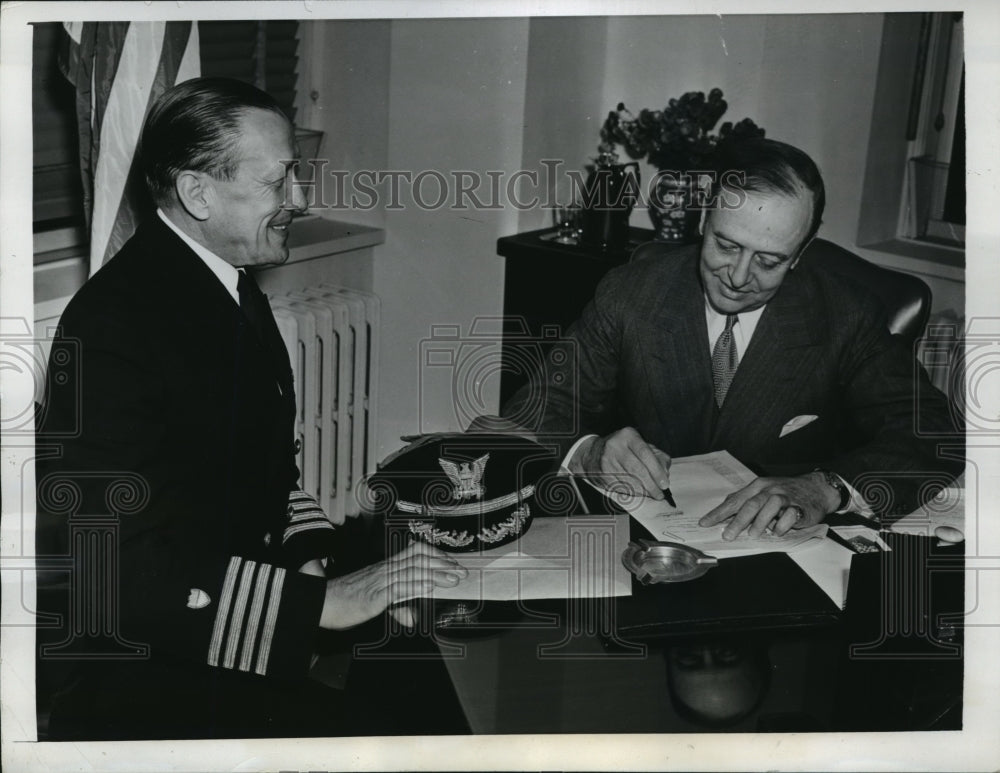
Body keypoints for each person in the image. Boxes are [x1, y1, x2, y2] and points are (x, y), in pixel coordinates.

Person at [35, 77, 467, 740]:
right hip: (150, 671)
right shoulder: (112, 327)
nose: (299, 199)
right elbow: (115, 576)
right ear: (198, 192)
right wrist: (327, 602)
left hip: (234, 634)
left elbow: (268, 478)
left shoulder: (229, 287)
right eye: (279, 181)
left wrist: (317, 562)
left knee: (429, 676)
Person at [502, 138, 962, 539]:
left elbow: (935, 433)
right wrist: (590, 453)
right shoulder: (633, 292)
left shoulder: (845, 315)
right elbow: (536, 409)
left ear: (800, 253)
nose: (739, 277)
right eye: (726, 246)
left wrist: (828, 487)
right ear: (704, 216)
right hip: (648, 548)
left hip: (784, 554)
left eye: (769, 261)